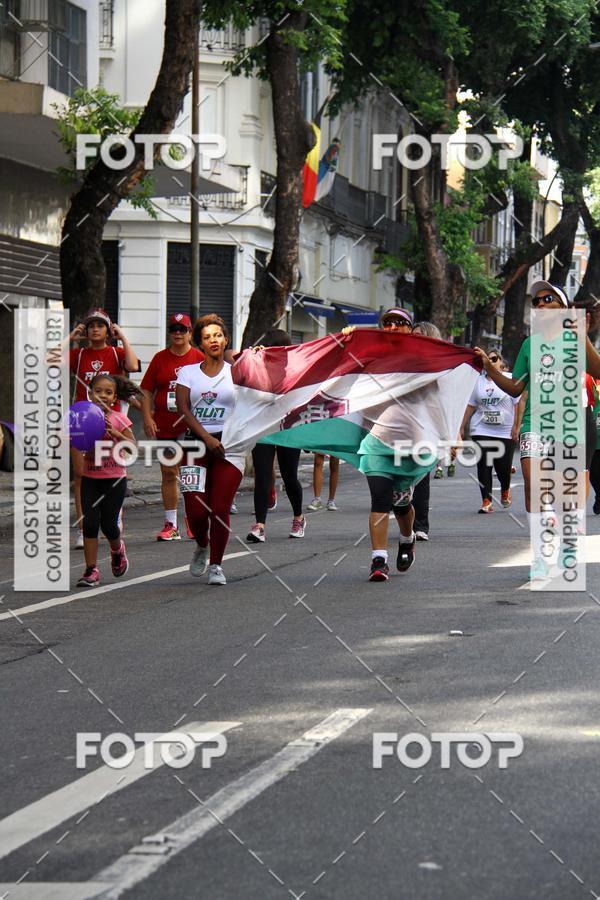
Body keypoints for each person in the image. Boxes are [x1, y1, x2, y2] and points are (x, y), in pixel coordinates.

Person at [474, 281, 594, 579]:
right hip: (534, 424)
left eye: (547, 299)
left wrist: (585, 338)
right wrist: (490, 369)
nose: (539, 305)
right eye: (536, 301)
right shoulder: (530, 344)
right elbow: (516, 387)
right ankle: (540, 555)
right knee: (531, 481)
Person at [175, 314, 243, 586]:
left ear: (225, 339)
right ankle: (202, 545)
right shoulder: (188, 372)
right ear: (199, 343)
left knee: (219, 508)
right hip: (194, 444)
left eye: (217, 335)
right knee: (196, 511)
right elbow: (183, 408)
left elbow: (261, 393)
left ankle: (216, 564)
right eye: (206, 337)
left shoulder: (237, 372)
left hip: (230, 446)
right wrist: (206, 438)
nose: (213, 340)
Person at [68, 309, 140, 550]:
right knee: (81, 475)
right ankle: (83, 528)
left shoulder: (115, 351)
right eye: (91, 326)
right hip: (83, 419)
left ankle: (113, 516)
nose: (95, 329)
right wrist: (71, 337)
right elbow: (50, 361)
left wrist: (123, 338)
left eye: (100, 325)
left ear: (108, 330)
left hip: (110, 419)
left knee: (110, 470)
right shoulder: (78, 355)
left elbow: (132, 364)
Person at [361, 307, 418, 582]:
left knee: (401, 503)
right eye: (388, 323)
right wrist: (349, 340)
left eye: (400, 323)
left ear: (410, 328)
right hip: (376, 440)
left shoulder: (424, 361)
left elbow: (441, 401)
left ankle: (407, 538)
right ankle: (379, 560)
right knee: (380, 498)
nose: (394, 327)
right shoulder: (371, 357)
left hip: (410, 444)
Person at [140, 313, 204, 541]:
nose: (177, 333)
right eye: (173, 329)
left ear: (189, 333)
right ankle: (171, 524)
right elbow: (146, 390)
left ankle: (194, 519)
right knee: (168, 473)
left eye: (182, 329)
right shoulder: (159, 358)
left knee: (190, 474)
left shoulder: (199, 358)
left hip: (191, 425)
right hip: (165, 426)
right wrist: (147, 417)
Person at [76, 374, 140, 587]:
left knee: (109, 525)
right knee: (90, 523)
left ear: (114, 398)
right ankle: (91, 570)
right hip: (90, 477)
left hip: (114, 479)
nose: (102, 395)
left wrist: (115, 434)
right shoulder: (82, 416)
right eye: (98, 391)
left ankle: (117, 550)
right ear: (90, 393)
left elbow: (133, 446)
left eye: (108, 392)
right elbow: (72, 439)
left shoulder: (118, 418)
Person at [246, 329, 306, 542]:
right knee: (262, 476)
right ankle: (260, 525)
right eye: (269, 349)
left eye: (277, 350)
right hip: (264, 428)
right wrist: (253, 357)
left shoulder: (295, 370)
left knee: (289, 477)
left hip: (288, 429)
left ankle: (298, 516)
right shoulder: (257, 367)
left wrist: (307, 432)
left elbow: (303, 400)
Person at [460, 349, 518, 513]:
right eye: (486, 360)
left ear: (501, 361)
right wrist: (461, 427)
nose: (489, 362)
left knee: (503, 467)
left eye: (493, 358)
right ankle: (486, 500)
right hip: (481, 428)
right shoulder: (477, 382)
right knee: (484, 464)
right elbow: (471, 406)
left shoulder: (510, 379)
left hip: (505, 430)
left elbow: (518, 403)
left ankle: (505, 489)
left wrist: (517, 425)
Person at [411, 321, 442, 540]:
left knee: (421, 476)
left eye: (418, 335)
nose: (413, 339)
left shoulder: (440, 365)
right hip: (400, 425)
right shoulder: (403, 360)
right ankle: (404, 514)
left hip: (427, 426)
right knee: (398, 476)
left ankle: (420, 526)